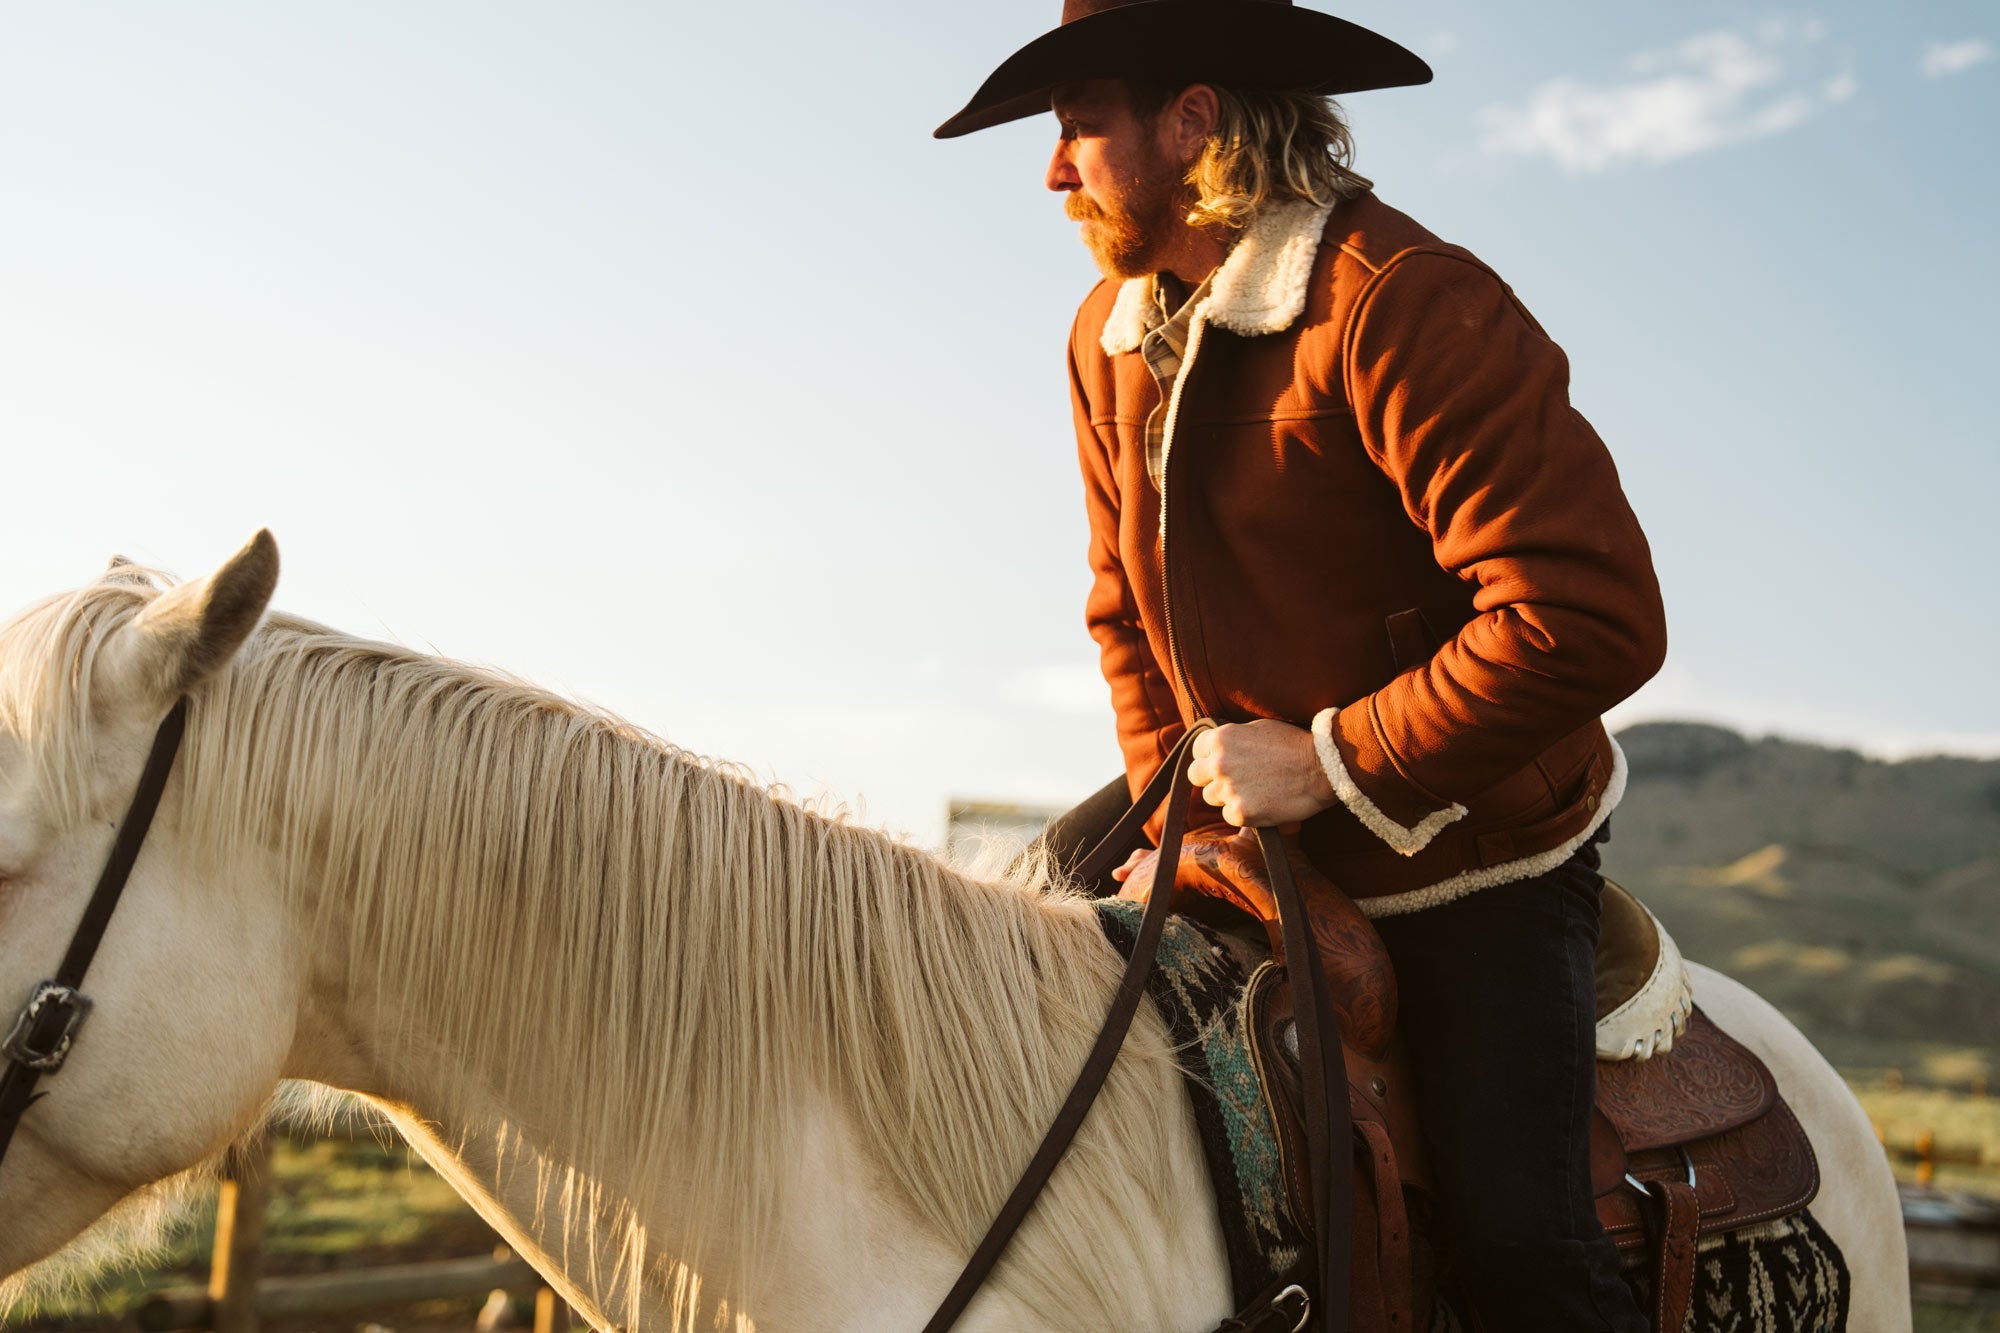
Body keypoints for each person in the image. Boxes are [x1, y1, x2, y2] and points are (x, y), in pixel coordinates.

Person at [936, 3, 1668, 1330]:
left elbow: (1587, 614)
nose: (1052, 171)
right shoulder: (1106, 334)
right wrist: (1182, 815)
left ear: (1193, 123)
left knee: (1517, 1243)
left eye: (1079, 129)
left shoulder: (1402, 302)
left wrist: (1329, 762)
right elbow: (1124, 616)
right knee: (969, 989)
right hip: (1237, 810)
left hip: (1469, 842)